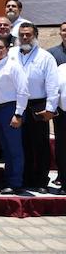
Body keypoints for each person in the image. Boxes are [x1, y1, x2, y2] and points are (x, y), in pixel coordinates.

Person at [10, 22, 59, 193]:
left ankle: (41, 181)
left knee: (40, 145)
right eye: (22, 34)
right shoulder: (11, 54)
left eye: (28, 34)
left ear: (35, 36)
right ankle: (26, 178)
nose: (25, 37)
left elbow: (52, 84)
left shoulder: (45, 57)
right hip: (16, 104)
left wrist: (50, 109)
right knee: (22, 143)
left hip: (38, 104)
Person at [0, 36, 28, 194]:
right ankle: (8, 179)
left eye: (0, 47)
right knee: (5, 147)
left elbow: (23, 91)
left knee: (14, 148)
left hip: (11, 109)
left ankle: (16, 182)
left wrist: (18, 114)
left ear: (7, 49)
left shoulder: (14, 66)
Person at [56, 62, 66, 195]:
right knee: (62, 150)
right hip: (62, 115)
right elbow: (54, 90)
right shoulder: (61, 68)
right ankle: (64, 182)